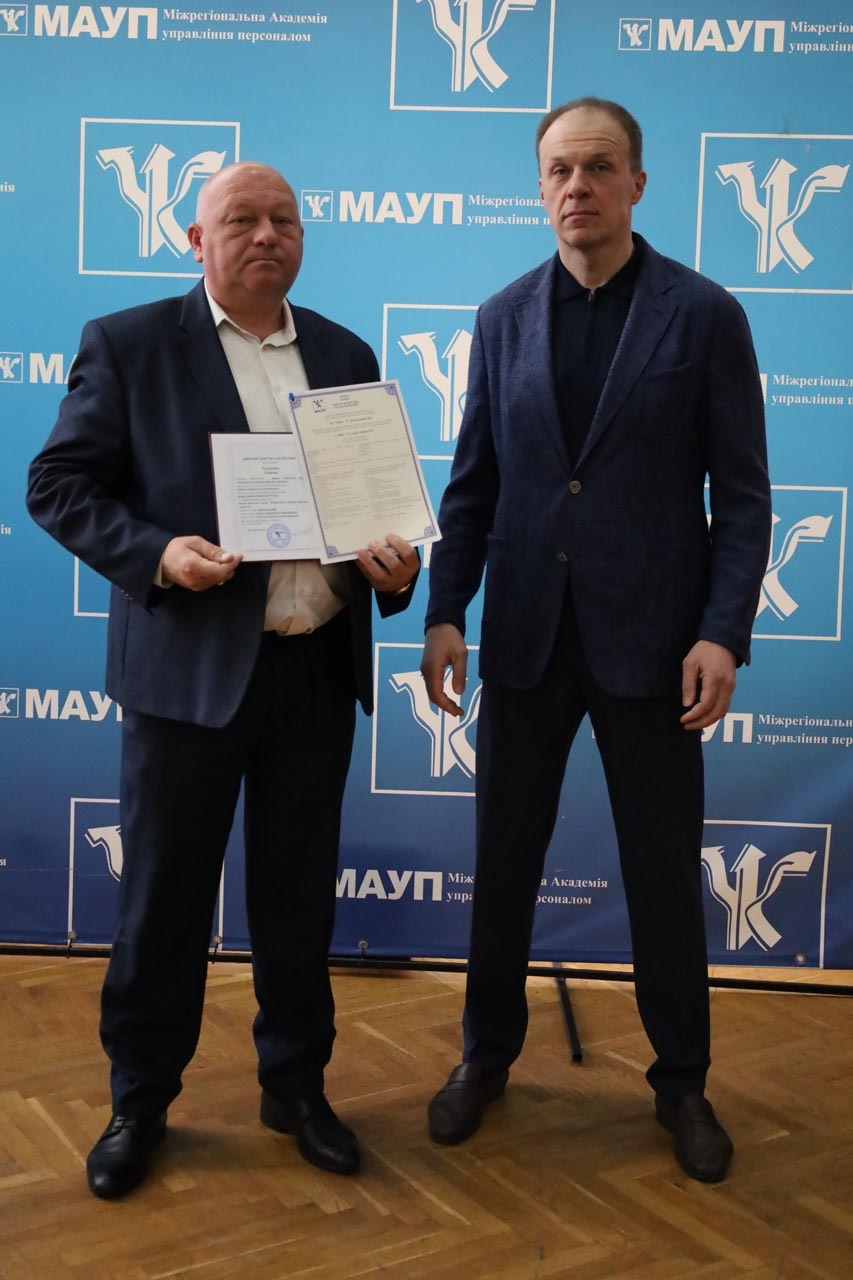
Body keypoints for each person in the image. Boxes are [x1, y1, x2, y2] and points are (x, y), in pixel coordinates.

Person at [27, 162, 419, 1199]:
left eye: (284, 219)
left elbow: (373, 510)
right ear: (194, 241)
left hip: (314, 669)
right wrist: (159, 554)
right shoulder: (129, 343)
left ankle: (295, 1087)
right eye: (239, 219)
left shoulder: (344, 353)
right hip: (186, 677)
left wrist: (396, 568)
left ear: (303, 240)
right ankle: (140, 1099)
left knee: (298, 898)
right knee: (163, 900)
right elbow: (56, 484)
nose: (265, 234)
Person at [420, 99, 770, 1183]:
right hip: (527, 635)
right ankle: (485, 1056)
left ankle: (682, 1083)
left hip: (655, 647)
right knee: (502, 865)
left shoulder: (703, 314)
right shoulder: (500, 318)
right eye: (559, 170)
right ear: (540, 189)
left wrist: (721, 632)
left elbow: (743, 496)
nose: (577, 186)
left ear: (636, 184)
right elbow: (472, 486)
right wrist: (445, 610)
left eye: (599, 166)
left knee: (662, 870)